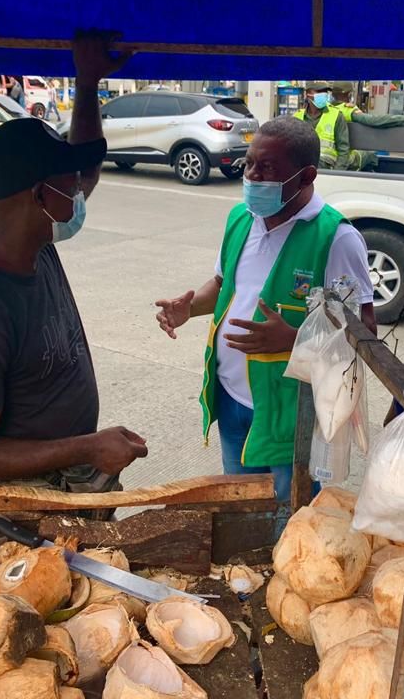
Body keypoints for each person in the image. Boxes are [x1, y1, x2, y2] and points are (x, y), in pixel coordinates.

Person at [0, 30, 146, 496]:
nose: (82, 190)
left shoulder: (33, 242)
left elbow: (88, 167)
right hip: (21, 506)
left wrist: (86, 86)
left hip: (71, 476)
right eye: (70, 185)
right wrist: (86, 448)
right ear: (40, 195)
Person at [154, 116, 376, 503]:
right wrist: (189, 308)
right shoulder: (241, 218)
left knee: (288, 519)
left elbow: (364, 332)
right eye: (250, 163)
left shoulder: (336, 239)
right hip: (230, 399)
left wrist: (295, 340)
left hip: (289, 415)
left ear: (306, 176)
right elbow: (224, 286)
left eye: (268, 167)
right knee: (240, 511)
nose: (253, 176)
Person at [329, 81, 404, 171]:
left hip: (328, 155)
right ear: (349, 95)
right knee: (371, 155)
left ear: (332, 94)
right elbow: (376, 120)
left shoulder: (327, 108)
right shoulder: (348, 111)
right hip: (340, 157)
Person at [293, 82, 350, 170]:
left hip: (326, 168)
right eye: (319, 91)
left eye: (325, 91)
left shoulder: (336, 115)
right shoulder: (297, 117)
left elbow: (343, 151)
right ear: (308, 94)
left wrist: (337, 174)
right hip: (301, 169)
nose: (323, 94)